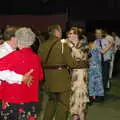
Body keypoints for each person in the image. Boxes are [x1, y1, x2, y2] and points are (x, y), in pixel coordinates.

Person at [38, 24, 88, 120]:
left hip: (48, 80)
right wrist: (84, 64)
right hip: (62, 80)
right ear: (57, 32)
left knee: (51, 102)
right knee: (63, 105)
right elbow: (72, 63)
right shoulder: (62, 44)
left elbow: (40, 62)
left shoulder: (42, 45)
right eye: (60, 31)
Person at [0, 27, 43, 119]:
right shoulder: (36, 57)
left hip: (13, 99)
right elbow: (40, 77)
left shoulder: (14, 55)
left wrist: (20, 78)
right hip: (31, 99)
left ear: (18, 40)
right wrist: (22, 77)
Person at [67, 27, 89, 120]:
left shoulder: (83, 45)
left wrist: (72, 47)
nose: (71, 35)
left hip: (80, 74)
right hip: (71, 74)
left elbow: (80, 56)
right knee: (73, 99)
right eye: (70, 33)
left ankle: (80, 116)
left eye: (73, 33)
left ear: (77, 35)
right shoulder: (67, 45)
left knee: (80, 99)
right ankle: (75, 116)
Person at [95, 29, 113, 96]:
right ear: (95, 34)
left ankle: (102, 93)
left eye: (99, 33)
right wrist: (110, 44)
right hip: (98, 63)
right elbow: (102, 51)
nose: (98, 34)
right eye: (97, 33)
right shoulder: (95, 42)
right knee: (99, 78)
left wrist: (110, 45)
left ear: (102, 34)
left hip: (105, 62)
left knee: (105, 78)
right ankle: (99, 94)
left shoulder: (106, 41)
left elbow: (109, 51)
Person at [88, 33, 104, 104]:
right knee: (98, 81)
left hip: (90, 65)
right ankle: (98, 97)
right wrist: (110, 45)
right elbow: (103, 51)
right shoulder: (96, 45)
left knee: (91, 81)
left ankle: (91, 97)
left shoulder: (87, 46)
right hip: (97, 65)